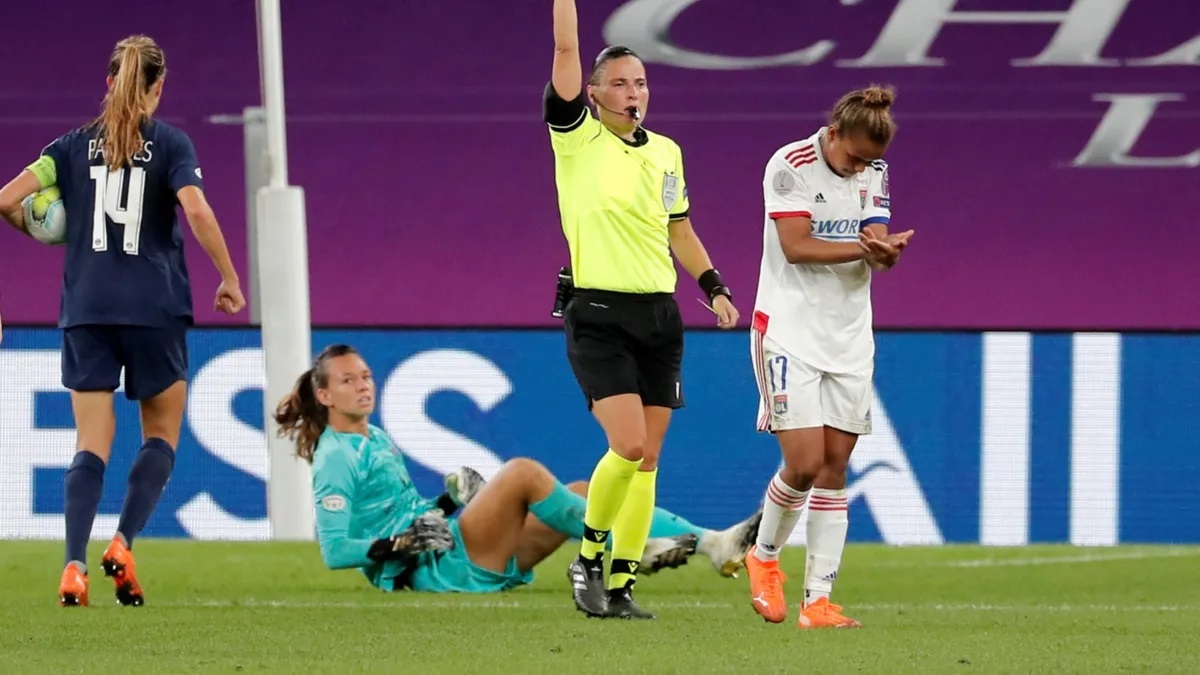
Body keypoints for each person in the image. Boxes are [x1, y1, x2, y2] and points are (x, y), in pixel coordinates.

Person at [0, 35, 245, 607]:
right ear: (159, 87)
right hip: (154, 308)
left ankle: (72, 567)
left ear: (109, 82)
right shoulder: (171, 144)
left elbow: (6, 199)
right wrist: (229, 277)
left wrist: (38, 231)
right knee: (160, 434)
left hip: (86, 310)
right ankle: (123, 542)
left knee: (91, 440)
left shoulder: (66, 148)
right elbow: (196, 208)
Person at [272, 344, 762, 595]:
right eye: (348, 381)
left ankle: (712, 543)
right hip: (431, 572)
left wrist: (446, 502)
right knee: (523, 472)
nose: (363, 386)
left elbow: (407, 515)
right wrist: (398, 545)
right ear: (324, 395)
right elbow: (335, 551)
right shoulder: (334, 457)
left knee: (584, 490)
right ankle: (628, 549)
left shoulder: (373, 437)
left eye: (365, 376)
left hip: (449, 551)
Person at [543, 0, 741, 620]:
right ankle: (587, 560)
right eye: (621, 83)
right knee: (627, 446)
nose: (634, 93)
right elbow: (567, 50)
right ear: (594, 94)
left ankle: (623, 584)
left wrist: (713, 286)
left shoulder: (666, 153)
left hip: (659, 316)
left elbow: (679, 229)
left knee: (648, 459)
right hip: (599, 314)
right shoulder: (576, 139)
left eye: (642, 83)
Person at [743, 85, 914, 629]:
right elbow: (796, 247)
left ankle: (818, 601)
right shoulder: (790, 165)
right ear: (834, 134)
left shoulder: (875, 170)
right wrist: (865, 248)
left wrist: (885, 253)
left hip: (849, 336)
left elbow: (874, 240)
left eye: (870, 161)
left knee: (835, 465)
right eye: (854, 157)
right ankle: (763, 556)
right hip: (789, 331)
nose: (860, 168)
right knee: (803, 463)